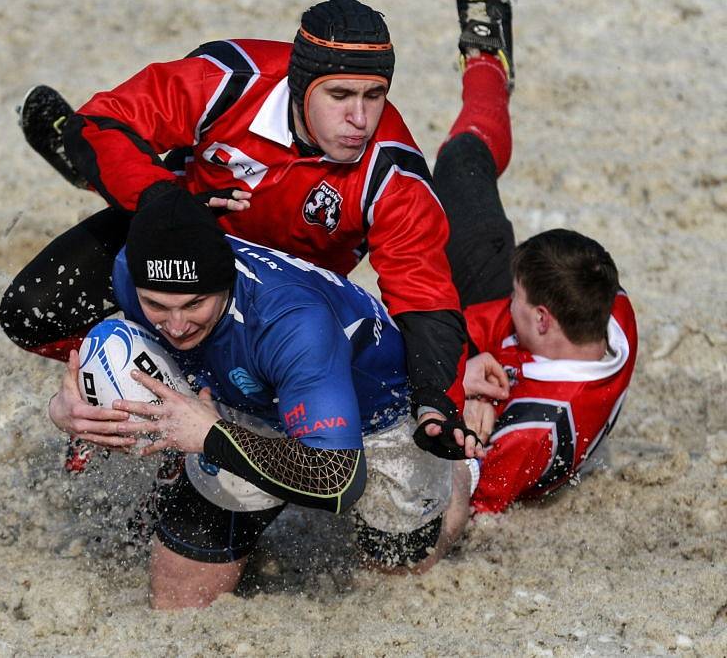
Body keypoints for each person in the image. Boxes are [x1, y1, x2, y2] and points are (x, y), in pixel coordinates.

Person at [2, 0, 489, 448]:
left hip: (273, 298)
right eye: (340, 95)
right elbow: (105, 120)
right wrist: (168, 203)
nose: (360, 118)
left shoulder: (394, 173)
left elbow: (423, 295)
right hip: (176, 234)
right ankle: (107, 375)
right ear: (300, 86)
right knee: (29, 314)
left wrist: (437, 404)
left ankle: (158, 385)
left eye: (374, 95)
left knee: (223, 413)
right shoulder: (229, 79)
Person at [49, 188, 484, 609]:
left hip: (375, 416)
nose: (176, 326)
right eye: (157, 306)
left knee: (400, 564)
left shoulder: (293, 321)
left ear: (227, 281)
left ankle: (457, 474)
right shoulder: (130, 269)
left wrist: (210, 435)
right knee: (176, 602)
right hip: (244, 402)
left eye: (195, 304)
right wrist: (68, 408)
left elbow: (338, 480)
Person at [426, 0, 638, 513]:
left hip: (477, 381)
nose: (513, 298)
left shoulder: (531, 431)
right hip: (491, 348)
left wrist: (462, 398)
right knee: (460, 162)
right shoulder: (613, 313)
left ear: (542, 318)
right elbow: (514, 324)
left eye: (519, 298)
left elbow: (462, 505)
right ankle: (487, 60)